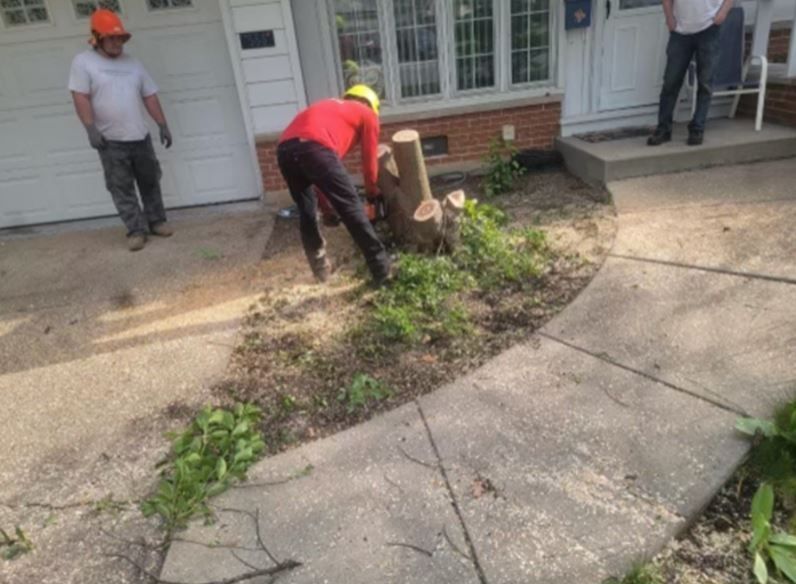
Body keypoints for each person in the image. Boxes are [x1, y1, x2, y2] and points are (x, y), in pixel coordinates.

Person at [68, 9, 174, 252]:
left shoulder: (133, 63)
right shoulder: (83, 62)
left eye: (120, 38)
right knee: (121, 187)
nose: (117, 43)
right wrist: (90, 129)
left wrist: (162, 124)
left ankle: (156, 221)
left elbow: (149, 95)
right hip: (110, 140)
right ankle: (136, 230)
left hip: (140, 137)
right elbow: (81, 97)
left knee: (150, 181)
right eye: (111, 38)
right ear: (97, 38)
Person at [276, 85, 391, 285]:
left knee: (307, 212)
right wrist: (372, 193)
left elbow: (318, 178)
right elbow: (369, 161)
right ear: (371, 105)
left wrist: (328, 210)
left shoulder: (330, 107)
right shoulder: (367, 114)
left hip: (285, 150)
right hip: (315, 147)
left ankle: (320, 271)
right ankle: (382, 270)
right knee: (351, 206)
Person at [648, 0, 734, 147]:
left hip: (709, 28)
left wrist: (723, 12)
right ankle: (663, 130)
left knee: (705, 83)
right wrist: (669, 18)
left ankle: (697, 129)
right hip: (680, 31)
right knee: (670, 82)